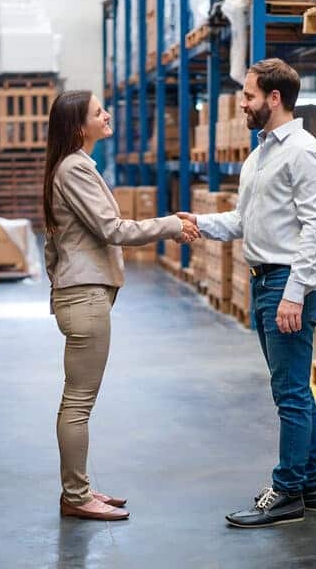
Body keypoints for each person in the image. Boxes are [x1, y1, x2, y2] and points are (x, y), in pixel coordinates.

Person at [178, 58, 316, 528]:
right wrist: (197, 223)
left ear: (274, 98)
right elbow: (244, 223)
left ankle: (287, 490)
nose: (242, 104)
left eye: (247, 96)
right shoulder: (262, 153)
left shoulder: (304, 153)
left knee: (288, 393)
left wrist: (294, 293)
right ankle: (314, 485)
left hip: (289, 284)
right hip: (265, 280)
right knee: (294, 390)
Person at [44, 90, 200, 521]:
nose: (106, 114)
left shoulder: (72, 167)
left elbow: (53, 242)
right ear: (79, 127)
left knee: (78, 400)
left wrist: (59, 282)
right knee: (78, 403)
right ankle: (76, 497)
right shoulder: (74, 169)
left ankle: (80, 489)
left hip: (81, 294)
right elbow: (112, 229)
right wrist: (170, 225)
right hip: (84, 297)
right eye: (98, 112)